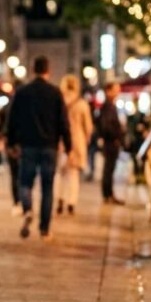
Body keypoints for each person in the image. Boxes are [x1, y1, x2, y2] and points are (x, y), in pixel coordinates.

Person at [7, 56, 72, 240]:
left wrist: (12, 142)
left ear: (32, 69)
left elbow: (13, 120)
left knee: (25, 182)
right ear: (48, 70)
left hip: (28, 145)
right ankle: (44, 229)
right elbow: (63, 122)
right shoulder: (55, 92)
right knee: (47, 187)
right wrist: (68, 145)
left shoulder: (23, 92)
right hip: (49, 146)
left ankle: (27, 209)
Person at [56, 74, 92, 215]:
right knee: (73, 174)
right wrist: (86, 139)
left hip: (60, 142)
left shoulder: (59, 101)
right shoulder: (82, 104)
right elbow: (88, 127)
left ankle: (59, 198)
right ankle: (71, 202)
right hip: (77, 141)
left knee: (59, 173)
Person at [99, 82, 125, 205]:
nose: (118, 92)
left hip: (111, 141)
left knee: (110, 168)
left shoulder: (109, 105)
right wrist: (115, 137)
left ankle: (109, 193)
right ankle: (107, 194)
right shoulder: (108, 106)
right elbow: (106, 126)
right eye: (116, 89)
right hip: (110, 142)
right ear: (108, 91)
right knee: (108, 168)